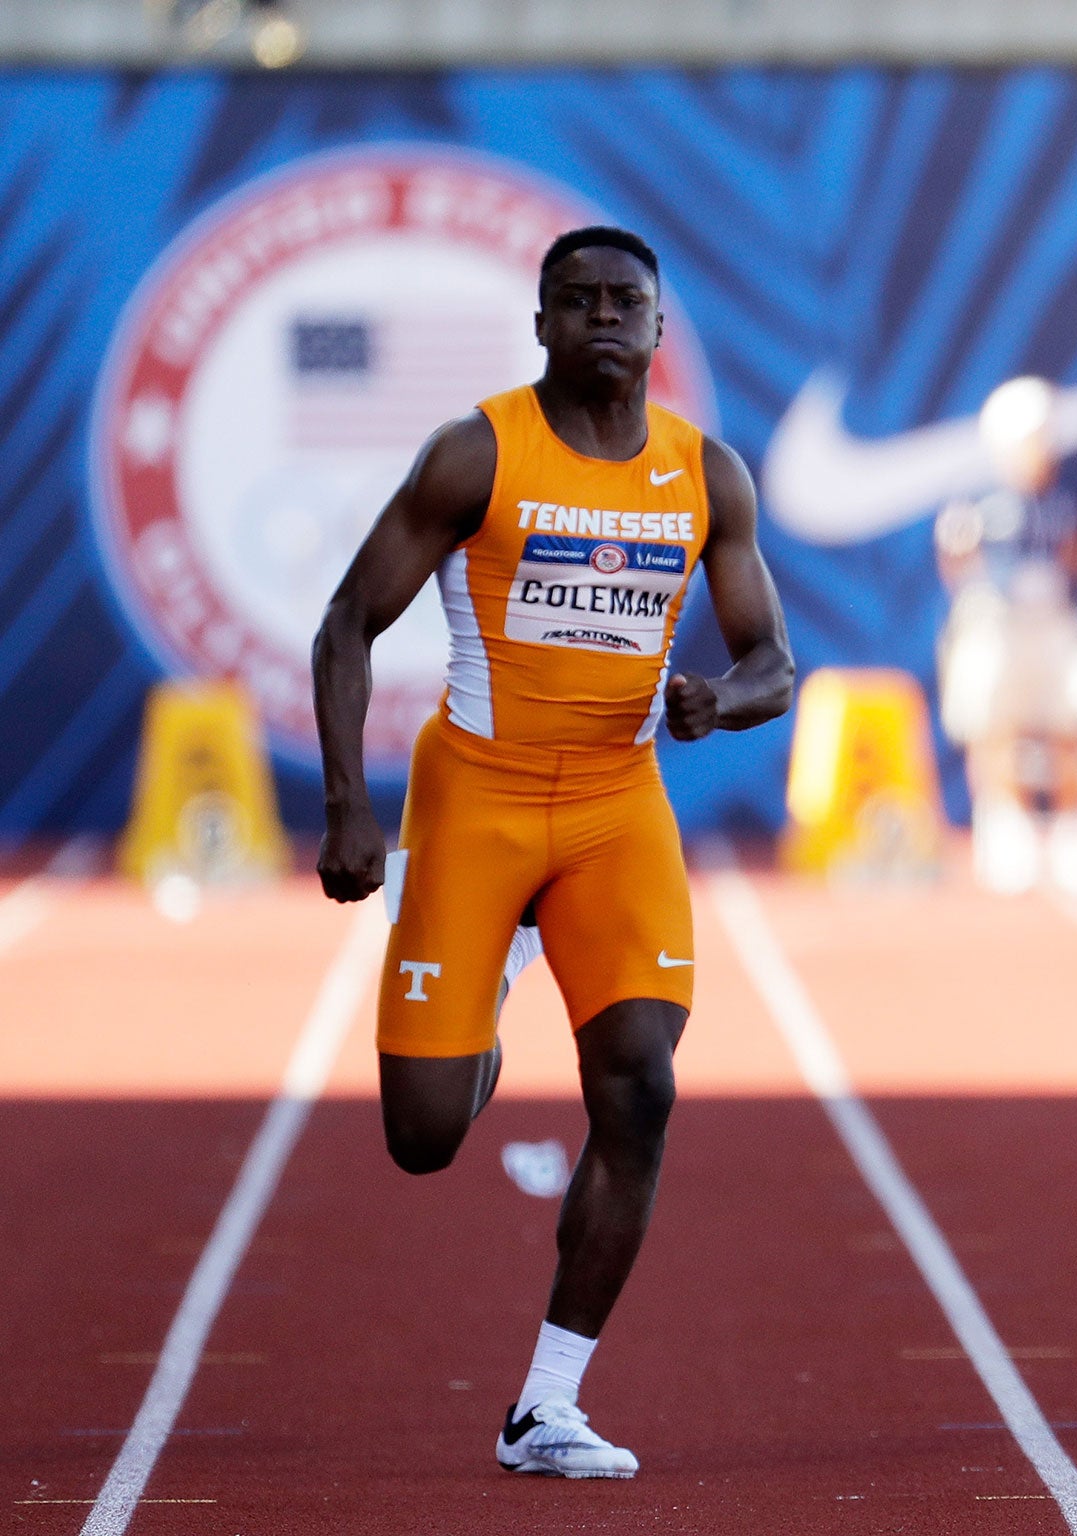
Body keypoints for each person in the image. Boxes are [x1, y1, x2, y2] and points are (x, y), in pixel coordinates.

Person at [312, 226, 793, 1478]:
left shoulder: (704, 476)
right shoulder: (477, 453)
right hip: (474, 799)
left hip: (614, 809)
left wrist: (720, 702)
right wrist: (347, 809)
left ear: (657, 329)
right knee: (421, 1136)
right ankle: (488, 976)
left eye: (622, 302)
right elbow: (349, 621)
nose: (599, 320)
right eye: (573, 301)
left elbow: (769, 663)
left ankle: (546, 1403)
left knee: (639, 1089)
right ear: (540, 325)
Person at [933, 376, 1077, 893]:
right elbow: (954, 560)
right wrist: (981, 596)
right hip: (996, 620)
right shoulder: (976, 496)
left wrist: (1059, 584)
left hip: (1054, 619)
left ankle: (1073, 825)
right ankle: (1004, 824)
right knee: (989, 705)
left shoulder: (1074, 492)